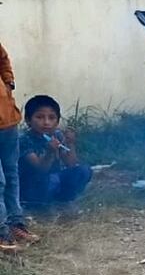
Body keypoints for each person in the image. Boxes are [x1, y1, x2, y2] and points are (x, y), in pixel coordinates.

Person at [19, 96, 92, 211]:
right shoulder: (24, 140)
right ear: (28, 120)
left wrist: (71, 143)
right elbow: (40, 169)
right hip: (33, 187)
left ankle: (65, 200)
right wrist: (50, 153)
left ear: (57, 121)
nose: (46, 122)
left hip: (53, 181)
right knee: (53, 180)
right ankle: (41, 206)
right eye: (39, 117)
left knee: (83, 170)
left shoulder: (57, 135)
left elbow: (71, 164)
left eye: (52, 118)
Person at [0, 42, 35, 248]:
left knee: (12, 175)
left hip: (8, 121)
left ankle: (16, 224)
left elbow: (3, 60)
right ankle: (1, 232)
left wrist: (9, 83)